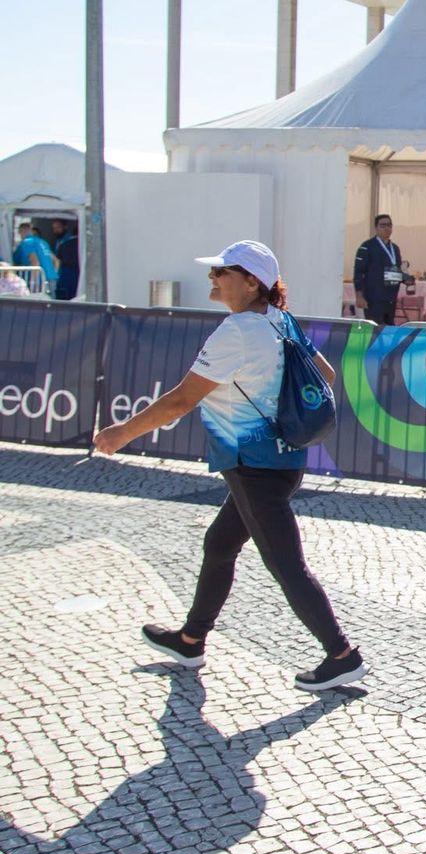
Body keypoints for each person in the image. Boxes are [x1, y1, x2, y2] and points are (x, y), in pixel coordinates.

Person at [92, 240, 367, 693]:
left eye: (222, 271)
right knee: (219, 544)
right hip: (281, 460)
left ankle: (342, 655)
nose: (213, 278)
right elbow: (327, 378)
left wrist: (122, 432)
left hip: (252, 466)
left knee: (286, 564)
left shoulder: (237, 331)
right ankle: (190, 640)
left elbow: (181, 399)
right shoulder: (280, 321)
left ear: (251, 281)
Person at [352, 213, 407, 325]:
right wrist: (359, 296)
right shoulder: (367, 247)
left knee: (388, 329)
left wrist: (406, 279)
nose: (387, 228)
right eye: (383, 225)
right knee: (374, 329)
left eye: (389, 225)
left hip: (391, 297)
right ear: (376, 228)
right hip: (373, 298)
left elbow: (395, 271)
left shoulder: (395, 248)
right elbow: (358, 272)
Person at [12, 223, 58, 295]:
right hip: (51, 277)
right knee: (52, 302)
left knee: (37, 303)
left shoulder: (27, 242)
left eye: (19, 232)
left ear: (21, 231)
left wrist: (33, 282)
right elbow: (56, 260)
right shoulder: (43, 242)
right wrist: (54, 272)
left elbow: (35, 261)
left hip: (39, 279)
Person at [51, 219, 79, 300]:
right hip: (68, 272)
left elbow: (57, 259)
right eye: (54, 228)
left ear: (65, 227)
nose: (56, 230)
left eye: (58, 227)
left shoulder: (65, 242)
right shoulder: (60, 241)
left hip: (68, 272)